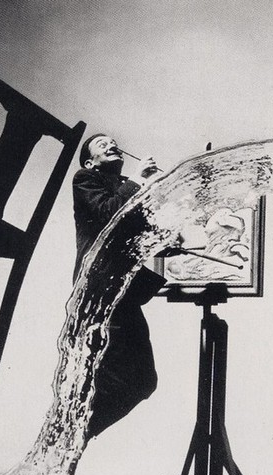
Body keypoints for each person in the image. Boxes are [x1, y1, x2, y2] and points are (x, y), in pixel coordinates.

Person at [72, 133, 166, 439]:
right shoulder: (85, 178)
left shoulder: (127, 187)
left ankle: (77, 434)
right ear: (90, 162)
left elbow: (138, 235)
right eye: (102, 144)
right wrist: (138, 181)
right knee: (111, 373)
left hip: (122, 291)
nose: (111, 144)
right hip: (99, 289)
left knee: (143, 381)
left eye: (112, 141)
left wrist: (167, 240)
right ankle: (73, 435)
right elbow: (107, 214)